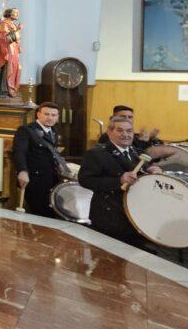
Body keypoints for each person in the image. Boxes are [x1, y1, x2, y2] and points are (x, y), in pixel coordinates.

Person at [79, 116, 162, 249]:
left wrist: (152, 169)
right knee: (107, 259)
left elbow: (144, 169)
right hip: (109, 216)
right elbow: (85, 180)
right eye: (120, 130)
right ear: (109, 132)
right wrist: (119, 181)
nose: (125, 134)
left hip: (134, 216)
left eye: (129, 131)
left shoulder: (136, 152)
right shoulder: (96, 153)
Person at [11, 102, 63, 218]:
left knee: (49, 214)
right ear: (38, 114)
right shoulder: (26, 130)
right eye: (46, 114)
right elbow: (19, 152)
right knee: (39, 215)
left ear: (58, 117)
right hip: (34, 180)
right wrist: (22, 171)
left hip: (50, 179)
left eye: (53, 115)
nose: (50, 117)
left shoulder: (53, 131)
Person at [96, 105, 162, 151]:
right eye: (123, 117)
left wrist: (150, 139)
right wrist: (144, 142)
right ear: (113, 118)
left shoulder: (134, 135)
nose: (127, 119)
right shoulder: (108, 136)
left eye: (130, 117)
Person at [0, 8, 21, 98]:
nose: (17, 14)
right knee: (5, 70)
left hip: (13, 51)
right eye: (15, 12)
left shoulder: (12, 24)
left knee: (16, 68)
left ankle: (10, 89)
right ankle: (2, 91)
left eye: (17, 12)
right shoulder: (4, 24)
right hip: (5, 52)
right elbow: (4, 39)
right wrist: (18, 31)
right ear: (9, 14)